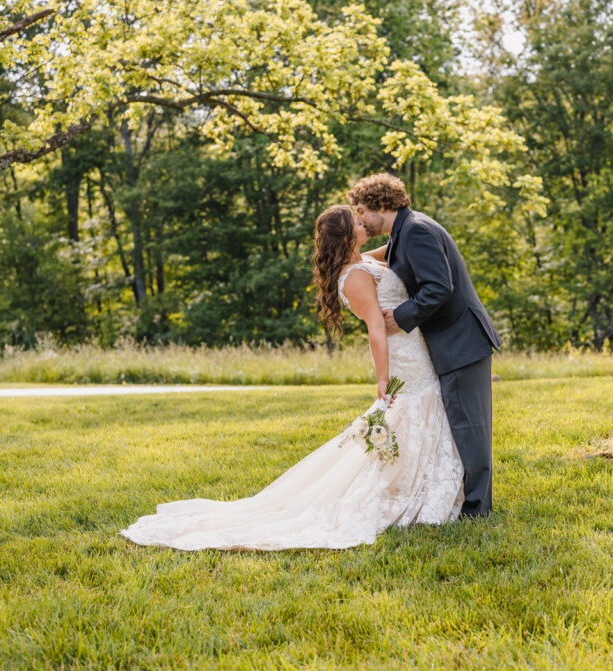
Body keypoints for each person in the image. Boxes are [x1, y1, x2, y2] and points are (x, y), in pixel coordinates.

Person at [120, 203, 463, 551]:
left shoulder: (363, 260)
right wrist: (382, 378)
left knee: (415, 418)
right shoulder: (355, 276)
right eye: (356, 221)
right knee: (410, 414)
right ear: (347, 237)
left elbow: (395, 251)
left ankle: (419, 484)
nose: (363, 222)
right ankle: (406, 491)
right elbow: (375, 328)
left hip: (414, 348)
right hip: (403, 358)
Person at [349, 173, 500, 518]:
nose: (358, 219)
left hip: (461, 341)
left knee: (470, 428)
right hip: (452, 341)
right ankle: (469, 501)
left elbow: (439, 287)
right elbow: (377, 259)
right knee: (462, 425)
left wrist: (398, 317)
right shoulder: (403, 232)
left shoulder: (415, 230)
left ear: (381, 204)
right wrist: (344, 259)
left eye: (360, 211)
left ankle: (477, 511)